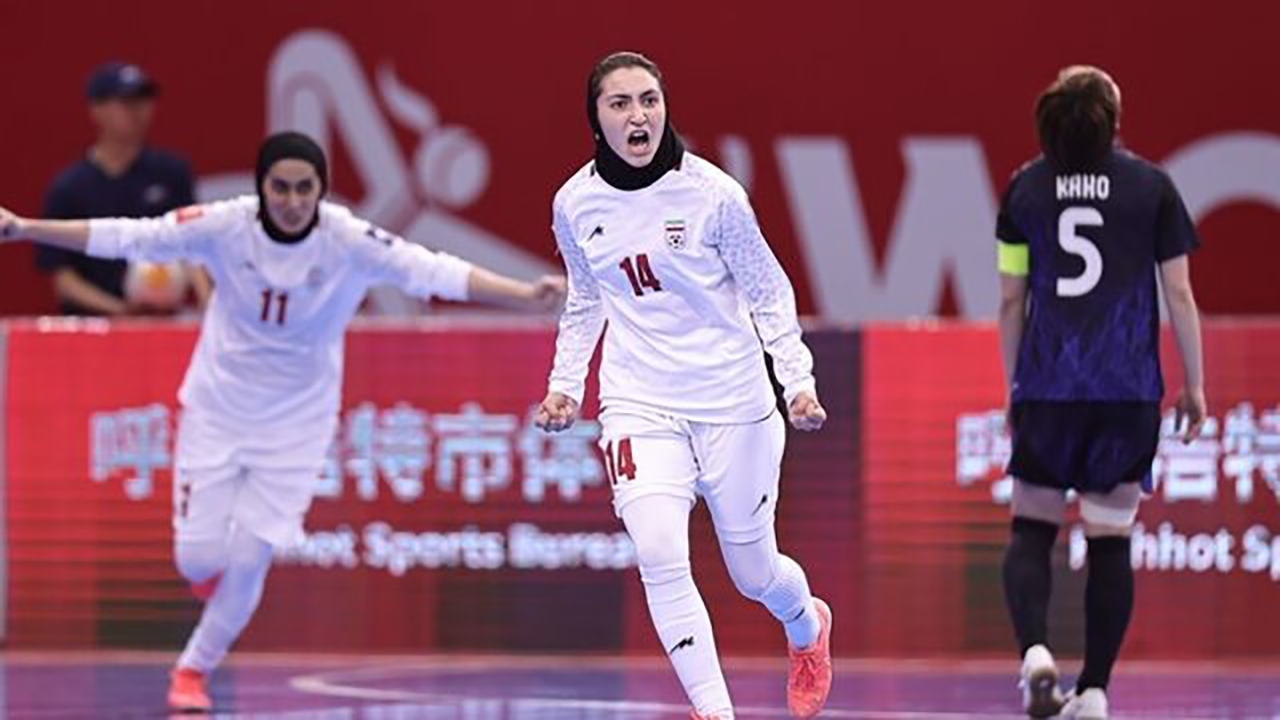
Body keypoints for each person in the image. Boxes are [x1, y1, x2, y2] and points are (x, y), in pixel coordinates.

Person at [0, 131, 566, 713]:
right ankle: (211, 584)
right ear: (261, 187)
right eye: (281, 187)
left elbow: (433, 272)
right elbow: (131, 235)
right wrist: (25, 227)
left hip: (297, 426)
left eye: (305, 188)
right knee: (196, 559)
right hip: (218, 411)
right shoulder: (226, 225)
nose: (293, 201)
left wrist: (523, 293)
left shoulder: (347, 239)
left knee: (250, 558)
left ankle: (193, 669)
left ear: (321, 189)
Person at [534, 51, 832, 720]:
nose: (638, 115)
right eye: (620, 103)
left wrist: (797, 381)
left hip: (732, 400)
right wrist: (565, 386)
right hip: (639, 401)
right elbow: (587, 298)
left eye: (649, 100)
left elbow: (768, 290)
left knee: (754, 573)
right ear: (597, 120)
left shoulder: (714, 196)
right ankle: (713, 711)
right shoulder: (574, 203)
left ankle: (807, 625)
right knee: (659, 551)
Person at [995, 66, 1206, 720]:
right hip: (1126, 392)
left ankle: (1035, 653)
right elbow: (1178, 294)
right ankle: (1093, 692)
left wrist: (1014, 387)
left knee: (1031, 530)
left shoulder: (1025, 190)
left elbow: (1010, 298)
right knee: (1111, 539)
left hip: (1047, 389)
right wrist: (1195, 384)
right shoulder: (1152, 188)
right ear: (1113, 119)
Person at [36, 61, 208, 315]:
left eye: (143, 100)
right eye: (125, 102)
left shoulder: (171, 173)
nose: (137, 110)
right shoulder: (69, 187)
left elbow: (191, 246)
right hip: (93, 322)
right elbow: (63, 278)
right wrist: (121, 311)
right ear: (97, 109)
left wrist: (206, 304)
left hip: (162, 319)